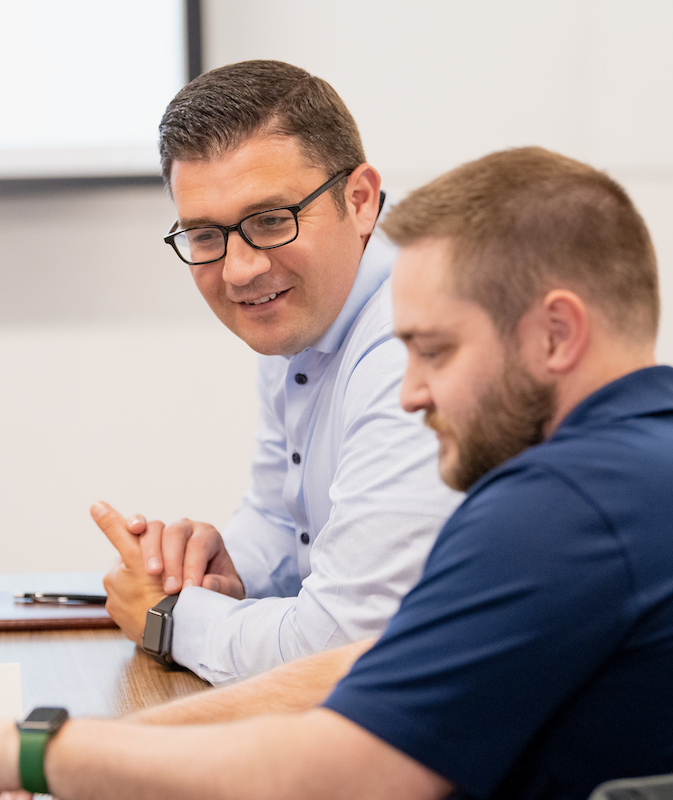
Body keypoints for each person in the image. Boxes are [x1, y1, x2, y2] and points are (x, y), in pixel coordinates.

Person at [0, 147, 673, 800]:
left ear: (556, 333)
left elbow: (335, 772)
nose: (411, 394)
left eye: (434, 351)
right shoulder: (656, 461)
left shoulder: (568, 506)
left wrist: (23, 756)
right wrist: (95, 741)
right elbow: (371, 665)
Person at [95, 60, 460, 684]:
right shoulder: (305, 312)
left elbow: (342, 646)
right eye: (204, 235)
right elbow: (281, 519)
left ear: (360, 200)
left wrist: (171, 618)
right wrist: (213, 568)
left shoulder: (415, 343)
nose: (240, 270)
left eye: (270, 221)